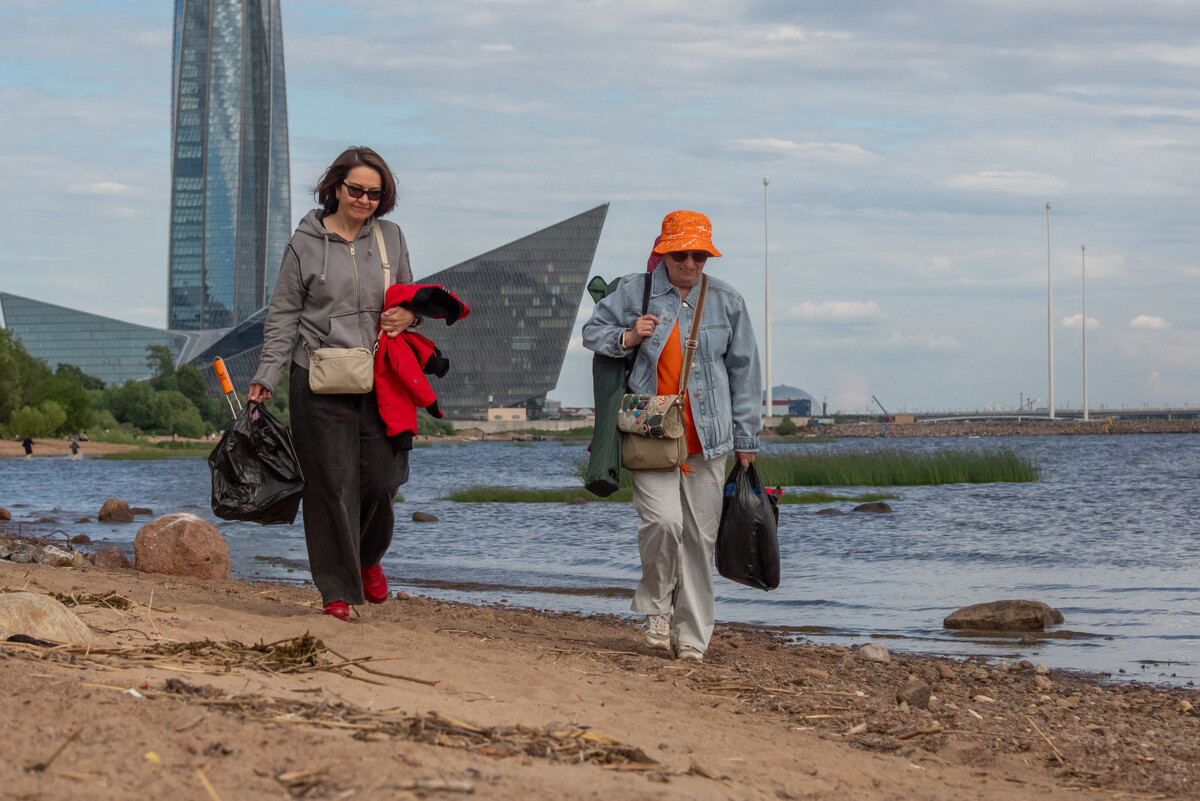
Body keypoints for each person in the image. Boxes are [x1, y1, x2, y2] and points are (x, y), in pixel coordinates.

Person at [582, 210, 762, 663]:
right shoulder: (633, 290)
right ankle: (657, 608)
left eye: (700, 255)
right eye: (682, 254)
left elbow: (745, 375)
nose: (691, 263)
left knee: (700, 540)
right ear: (664, 251)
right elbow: (591, 333)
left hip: (710, 438)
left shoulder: (728, 301)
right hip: (650, 433)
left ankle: (694, 640)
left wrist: (748, 440)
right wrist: (627, 336)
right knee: (663, 523)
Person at [249, 146, 415, 623]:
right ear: (336, 188)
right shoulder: (305, 242)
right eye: (356, 190)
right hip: (317, 379)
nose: (364, 200)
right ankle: (336, 593)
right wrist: (267, 374)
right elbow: (283, 315)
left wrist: (410, 314)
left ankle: (366, 558)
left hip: (380, 379)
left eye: (374, 193)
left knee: (383, 481)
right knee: (329, 487)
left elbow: (408, 299)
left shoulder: (391, 238)